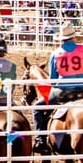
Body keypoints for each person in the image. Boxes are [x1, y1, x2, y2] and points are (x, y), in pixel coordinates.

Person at [32, 23, 83, 153]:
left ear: (61, 39)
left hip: (62, 92)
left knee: (37, 108)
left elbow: (53, 80)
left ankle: (40, 139)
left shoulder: (56, 53)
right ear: (73, 37)